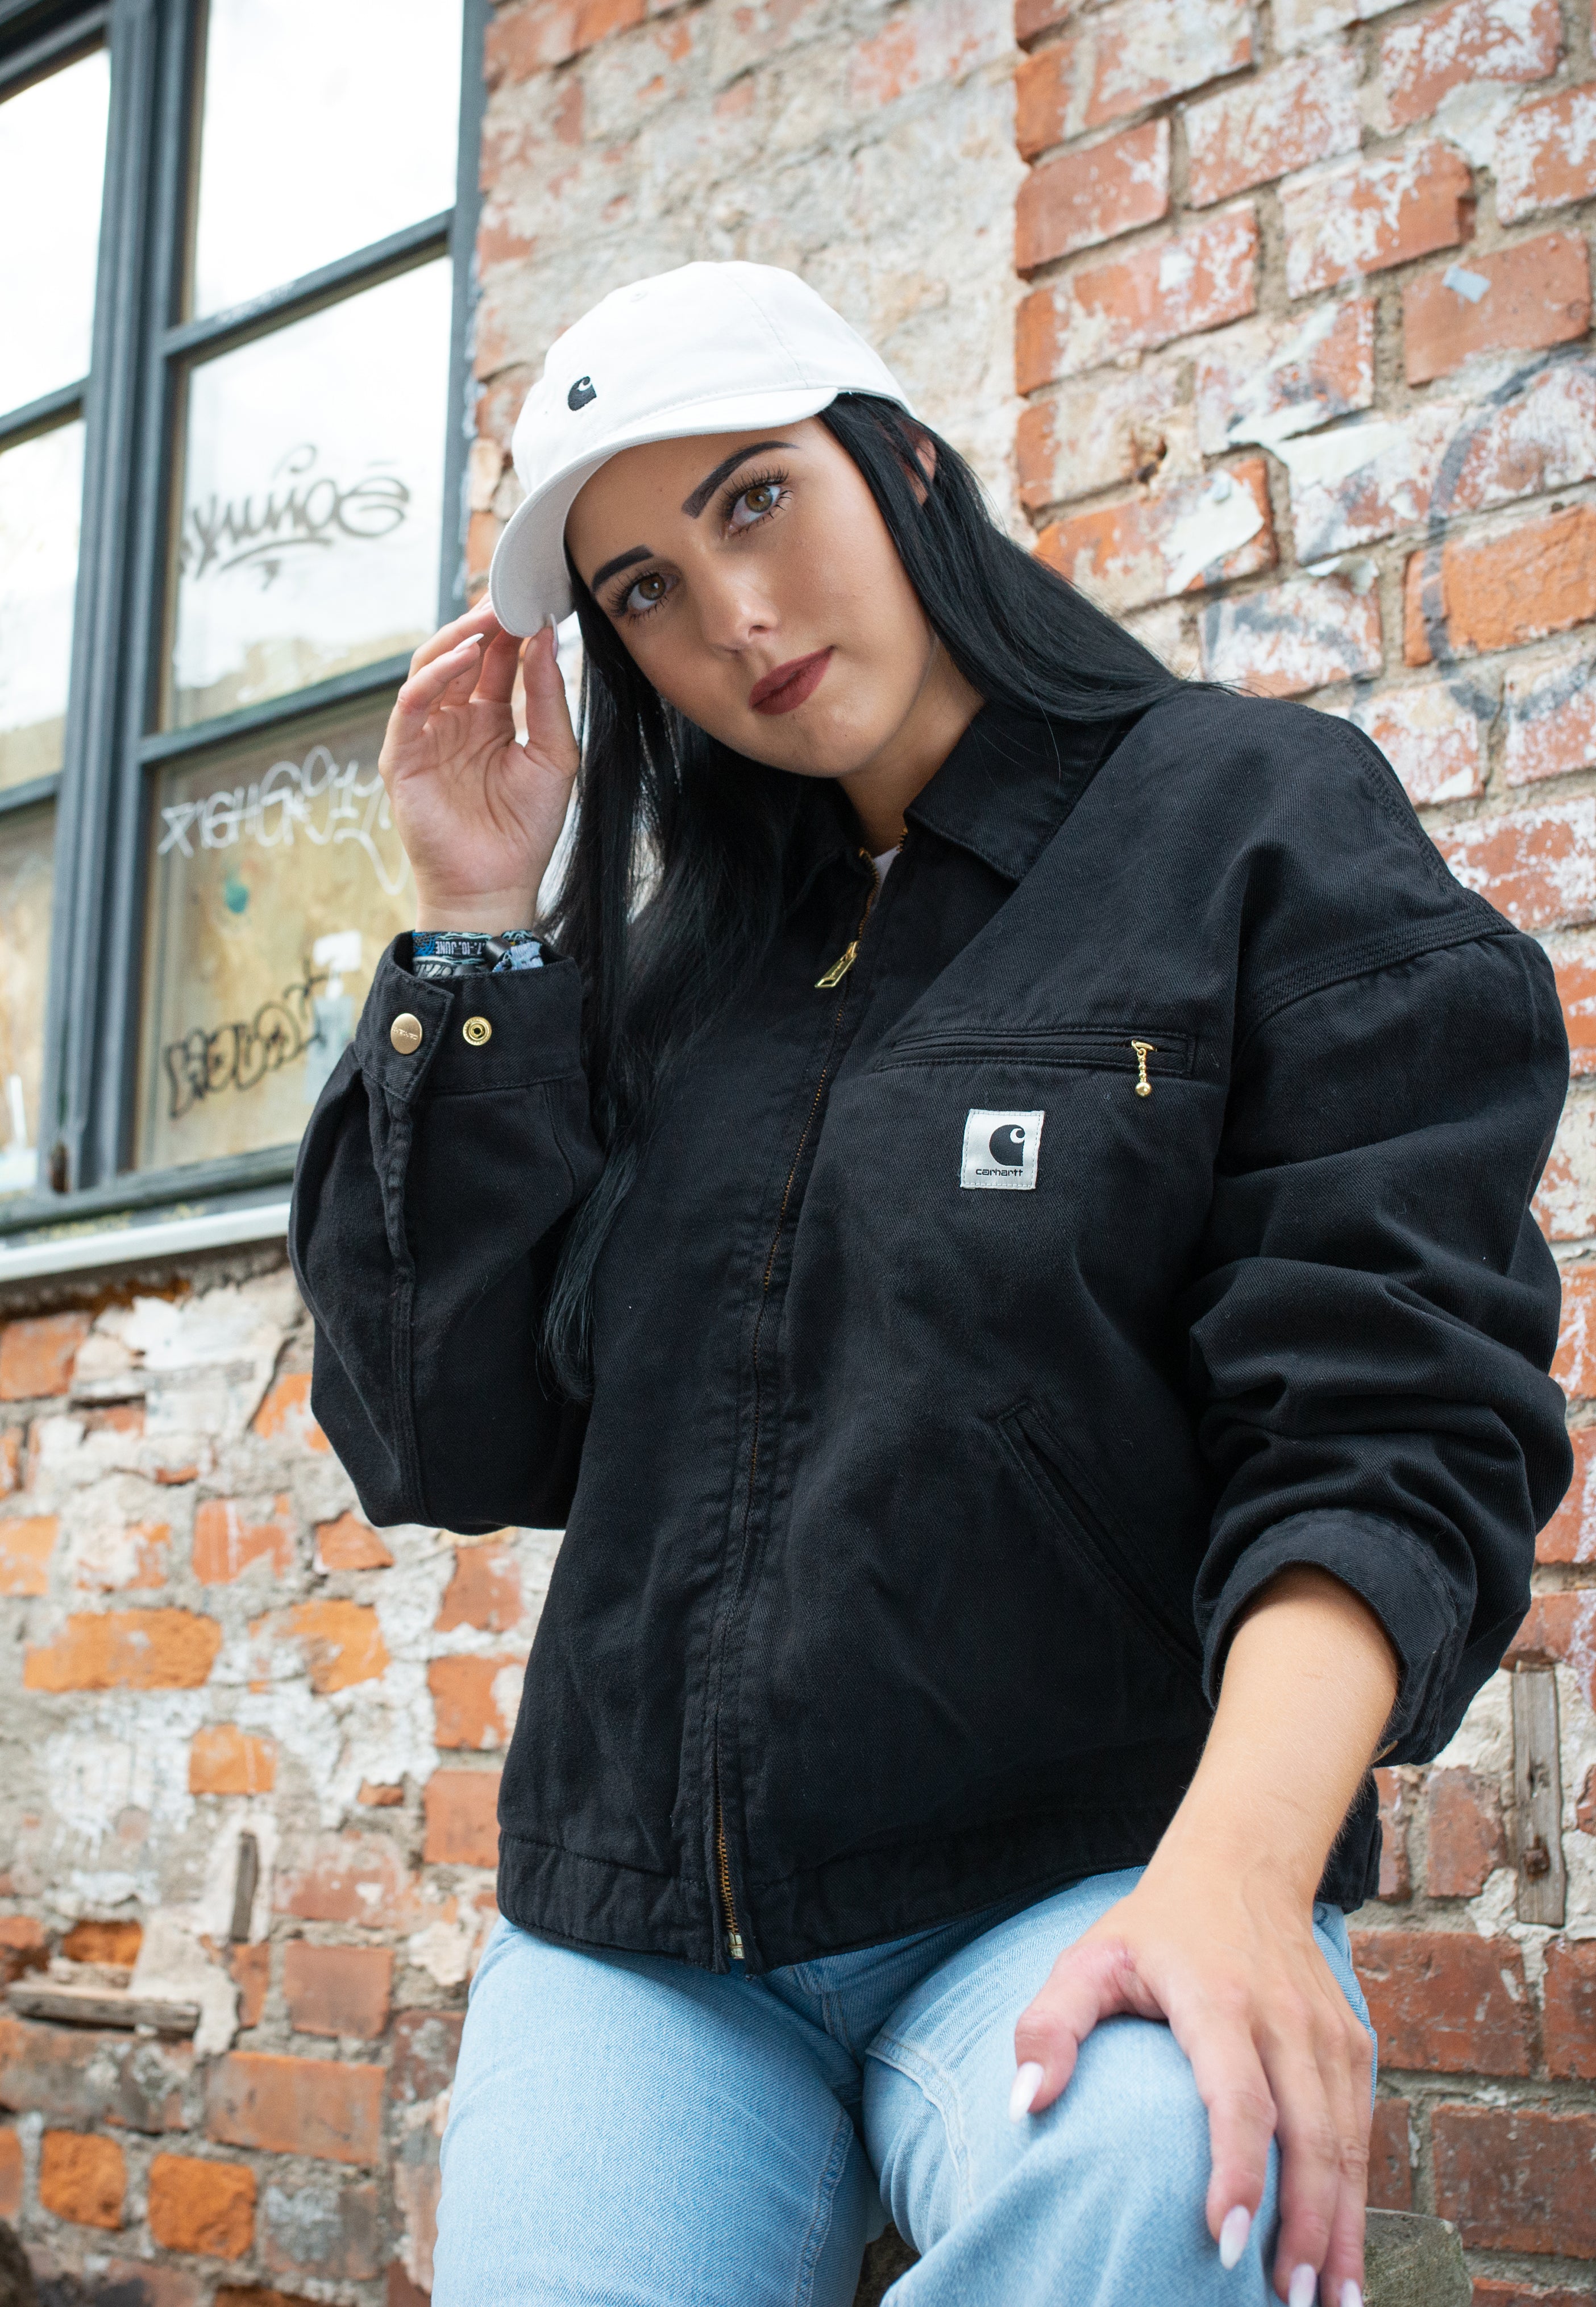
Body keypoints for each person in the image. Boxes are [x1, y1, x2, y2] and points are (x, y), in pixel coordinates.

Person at [289, 263, 1571, 2307]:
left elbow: (1391, 1415)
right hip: (653, 1939)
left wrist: (1238, 1879)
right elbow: (449, 1434)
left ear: (898, 464)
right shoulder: (673, 968)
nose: (733, 618)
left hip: (1073, 1870)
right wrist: (471, 919)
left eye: (754, 497)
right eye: (642, 588)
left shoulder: (1244, 820)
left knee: (1178, 2159)